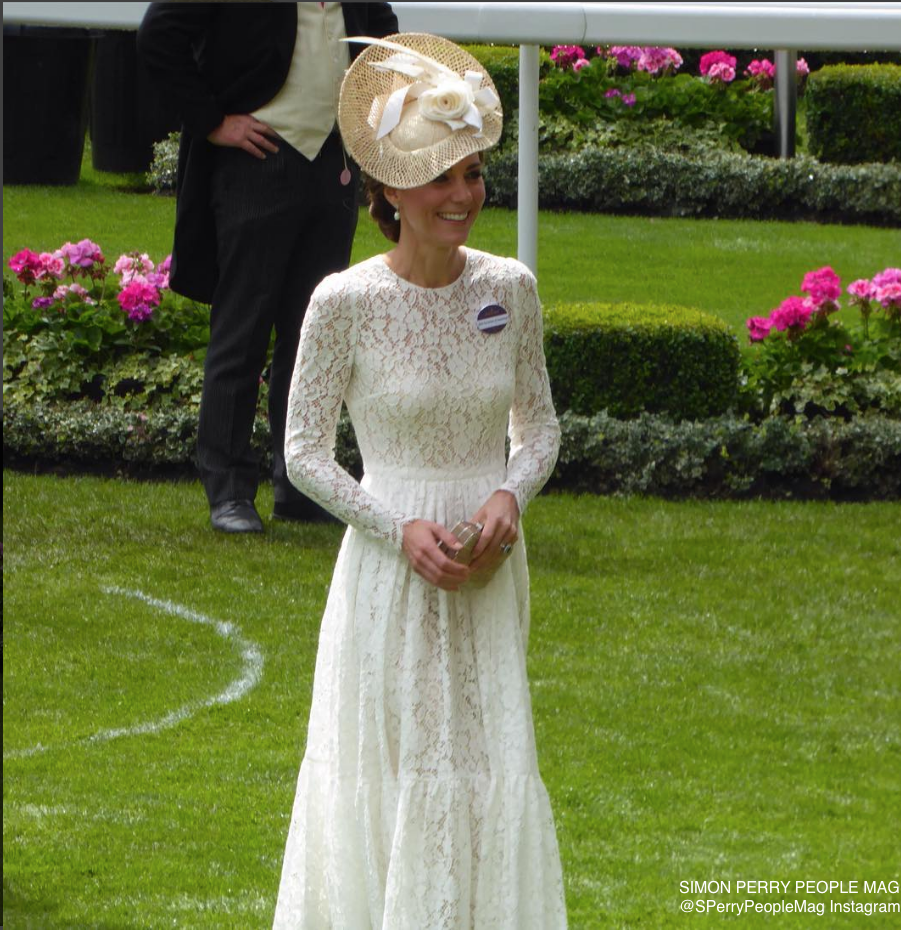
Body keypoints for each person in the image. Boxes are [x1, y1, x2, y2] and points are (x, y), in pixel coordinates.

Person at [273, 34, 567, 928]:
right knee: (391, 763)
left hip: (486, 567)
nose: (463, 196)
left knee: (487, 759)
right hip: (388, 572)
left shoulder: (509, 288)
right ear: (389, 190)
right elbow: (303, 451)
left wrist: (509, 496)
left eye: (473, 174)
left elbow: (540, 424)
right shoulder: (344, 302)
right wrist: (395, 526)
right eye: (442, 178)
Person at [136, 2, 398, 533]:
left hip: (333, 168)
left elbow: (386, 38)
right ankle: (229, 488)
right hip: (256, 161)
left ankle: (299, 484)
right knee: (243, 330)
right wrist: (213, 122)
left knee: (313, 337)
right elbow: (157, 36)